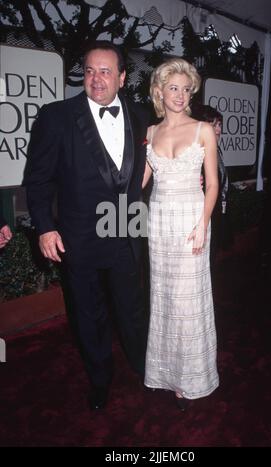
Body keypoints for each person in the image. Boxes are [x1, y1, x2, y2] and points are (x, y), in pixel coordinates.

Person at [24, 40, 149, 410]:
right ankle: (100, 379)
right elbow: (39, 178)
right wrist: (45, 226)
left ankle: (146, 370)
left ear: (122, 77)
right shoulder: (55, 116)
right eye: (90, 70)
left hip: (129, 227)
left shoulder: (142, 115)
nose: (96, 79)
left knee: (134, 307)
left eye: (106, 71)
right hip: (78, 236)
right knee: (87, 312)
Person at [142, 58, 219, 410]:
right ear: (159, 91)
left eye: (185, 89)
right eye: (173, 87)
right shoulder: (152, 132)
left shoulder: (203, 129)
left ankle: (190, 379)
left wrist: (203, 224)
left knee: (189, 301)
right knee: (164, 299)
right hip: (159, 223)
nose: (180, 94)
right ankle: (163, 373)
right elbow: (137, 183)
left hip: (191, 221)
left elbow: (213, 184)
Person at [193, 105, 230, 268]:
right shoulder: (197, 153)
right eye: (213, 124)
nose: (217, 129)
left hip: (216, 216)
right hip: (201, 217)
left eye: (219, 125)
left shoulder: (216, 150)